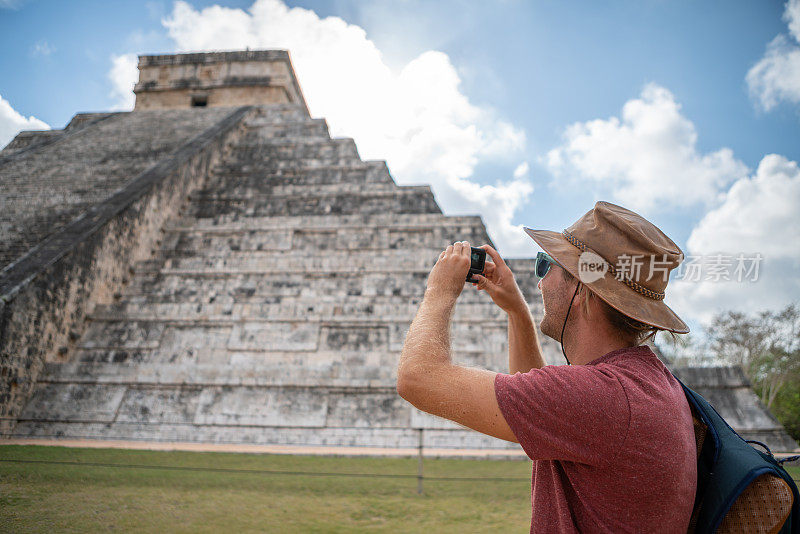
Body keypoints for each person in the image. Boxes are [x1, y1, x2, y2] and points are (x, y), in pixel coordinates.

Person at [397, 201, 697, 533]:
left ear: (583, 288)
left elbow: (417, 378)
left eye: (546, 265)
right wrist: (517, 311)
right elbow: (543, 406)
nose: (539, 283)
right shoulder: (644, 383)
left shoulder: (603, 398)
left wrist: (439, 289)